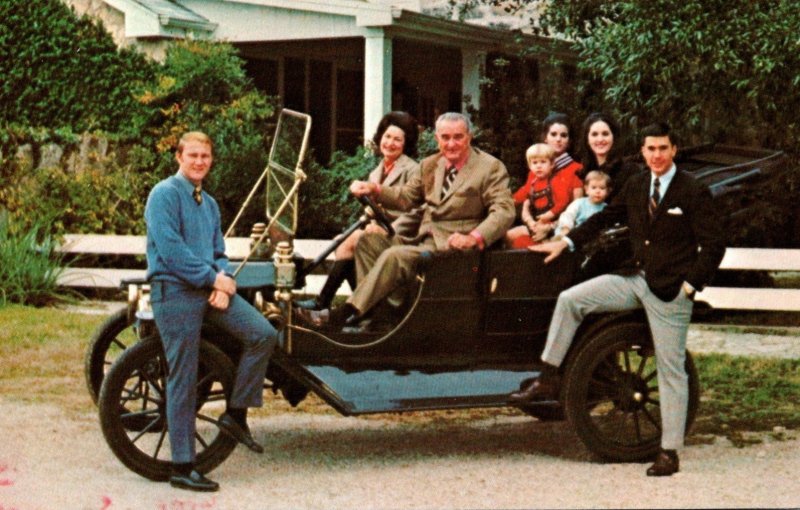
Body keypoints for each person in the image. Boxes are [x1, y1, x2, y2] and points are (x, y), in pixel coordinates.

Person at [508, 123, 725, 477]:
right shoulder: (637, 184)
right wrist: (567, 242)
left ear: (674, 149)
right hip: (633, 278)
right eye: (650, 149)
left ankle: (669, 451)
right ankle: (549, 376)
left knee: (671, 371)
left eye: (663, 148)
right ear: (642, 151)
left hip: (670, 291)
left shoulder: (692, 190)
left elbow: (714, 244)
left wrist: (690, 286)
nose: (656, 155)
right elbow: (606, 217)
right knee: (570, 299)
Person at [145, 132, 278, 492]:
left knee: (263, 334)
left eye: (205, 156)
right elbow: (171, 252)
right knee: (184, 377)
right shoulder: (164, 195)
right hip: (174, 292)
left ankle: (236, 415)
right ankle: (182, 467)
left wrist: (220, 278)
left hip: (207, 290)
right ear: (179, 157)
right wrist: (213, 281)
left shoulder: (210, 204)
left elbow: (219, 251)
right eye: (193, 155)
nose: (199, 161)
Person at [297, 112, 515, 332]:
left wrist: (473, 237)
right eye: (445, 137)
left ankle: (343, 314)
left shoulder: (489, 168)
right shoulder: (431, 165)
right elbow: (406, 197)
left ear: (469, 137)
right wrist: (375, 189)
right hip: (423, 242)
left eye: (458, 137)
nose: (451, 144)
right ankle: (377, 317)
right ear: (437, 139)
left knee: (395, 255)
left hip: (455, 251)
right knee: (367, 241)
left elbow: (504, 211)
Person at [295, 111, 420, 311]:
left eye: (397, 139)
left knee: (352, 240)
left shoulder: (413, 170)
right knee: (341, 240)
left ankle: (327, 302)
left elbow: (415, 210)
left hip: (401, 237)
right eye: (387, 137)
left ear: (406, 143)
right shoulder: (376, 172)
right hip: (377, 234)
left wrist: (388, 229)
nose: (390, 143)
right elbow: (374, 210)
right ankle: (356, 304)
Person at [516, 113, 584, 243]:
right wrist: (531, 223)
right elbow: (524, 199)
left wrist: (550, 227)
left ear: (569, 141)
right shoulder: (536, 170)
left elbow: (578, 210)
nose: (558, 139)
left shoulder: (577, 169)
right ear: (545, 138)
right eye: (553, 134)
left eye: (563, 135)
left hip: (562, 229)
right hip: (535, 225)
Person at [505, 143, 570, 249]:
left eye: (543, 162)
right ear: (530, 165)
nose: (538, 166)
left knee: (546, 245)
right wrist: (509, 202)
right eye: (535, 163)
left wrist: (550, 214)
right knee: (508, 235)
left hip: (552, 225)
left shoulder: (556, 181)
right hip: (534, 224)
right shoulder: (532, 181)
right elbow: (522, 193)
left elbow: (563, 201)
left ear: (552, 164)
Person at [553, 170, 611, 240]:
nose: (597, 191)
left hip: (593, 236)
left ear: (607, 192)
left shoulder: (606, 208)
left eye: (602, 188)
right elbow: (568, 215)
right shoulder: (579, 203)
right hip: (575, 232)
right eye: (594, 188)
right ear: (586, 190)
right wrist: (566, 228)